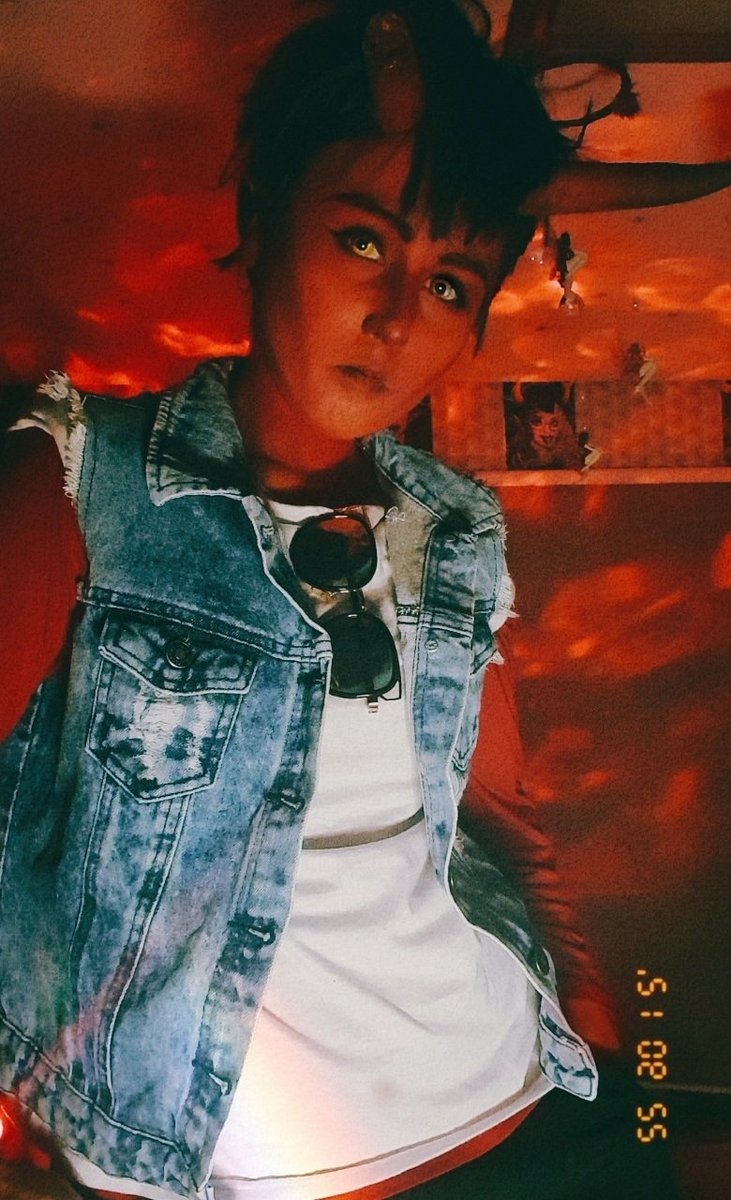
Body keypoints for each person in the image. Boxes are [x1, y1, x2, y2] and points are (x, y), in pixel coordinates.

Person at [0, 3, 681, 1198]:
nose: (397, 317)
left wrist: (592, 1010)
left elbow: (497, 816)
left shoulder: (454, 523)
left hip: (529, 1119)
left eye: (451, 283)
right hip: (201, 1164)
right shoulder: (77, 483)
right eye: (364, 241)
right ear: (264, 216)